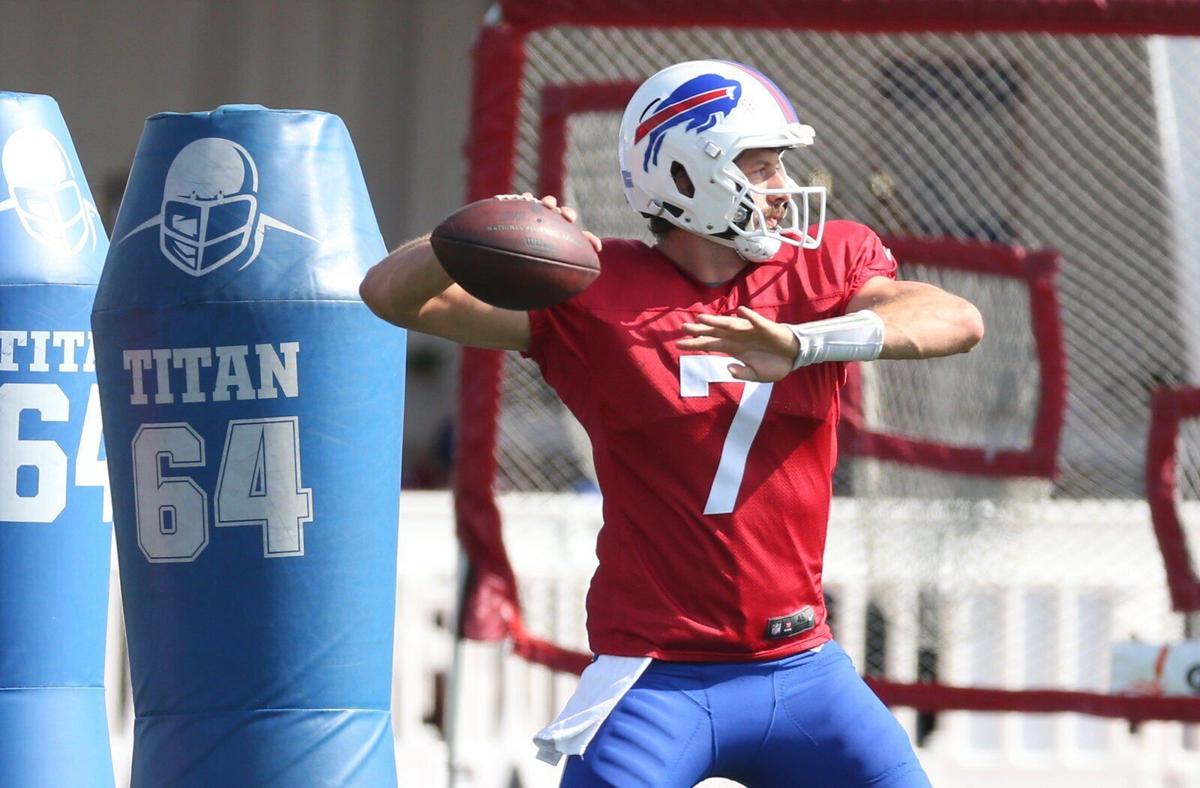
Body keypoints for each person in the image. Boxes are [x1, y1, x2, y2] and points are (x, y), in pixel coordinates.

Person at [361, 60, 983, 787]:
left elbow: (955, 320)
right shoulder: (591, 289)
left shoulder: (823, 267)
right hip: (655, 677)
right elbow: (391, 297)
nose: (783, 187)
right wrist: (474, 233)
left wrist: (804, 343)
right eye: (761, 166)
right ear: (687, 176)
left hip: (803, 667)